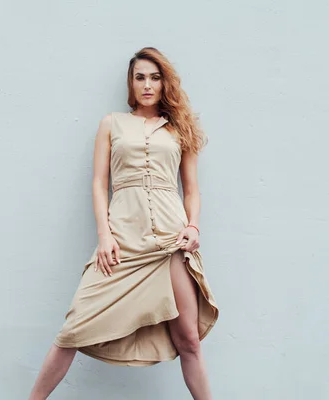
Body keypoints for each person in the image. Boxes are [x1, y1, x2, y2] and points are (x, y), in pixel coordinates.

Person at [28, 47, 219, 400]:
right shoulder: (111, 123)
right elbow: (100, 184)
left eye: (155, 77)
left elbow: (191, 189)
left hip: (171, 241)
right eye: (140, 77)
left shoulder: (180, 129)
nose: (148, 85)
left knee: (189, 340)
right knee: (73, 329)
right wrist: (105, 236)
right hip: (122, 241)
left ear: (165, 83)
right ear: (131, 85)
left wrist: (193, 227)